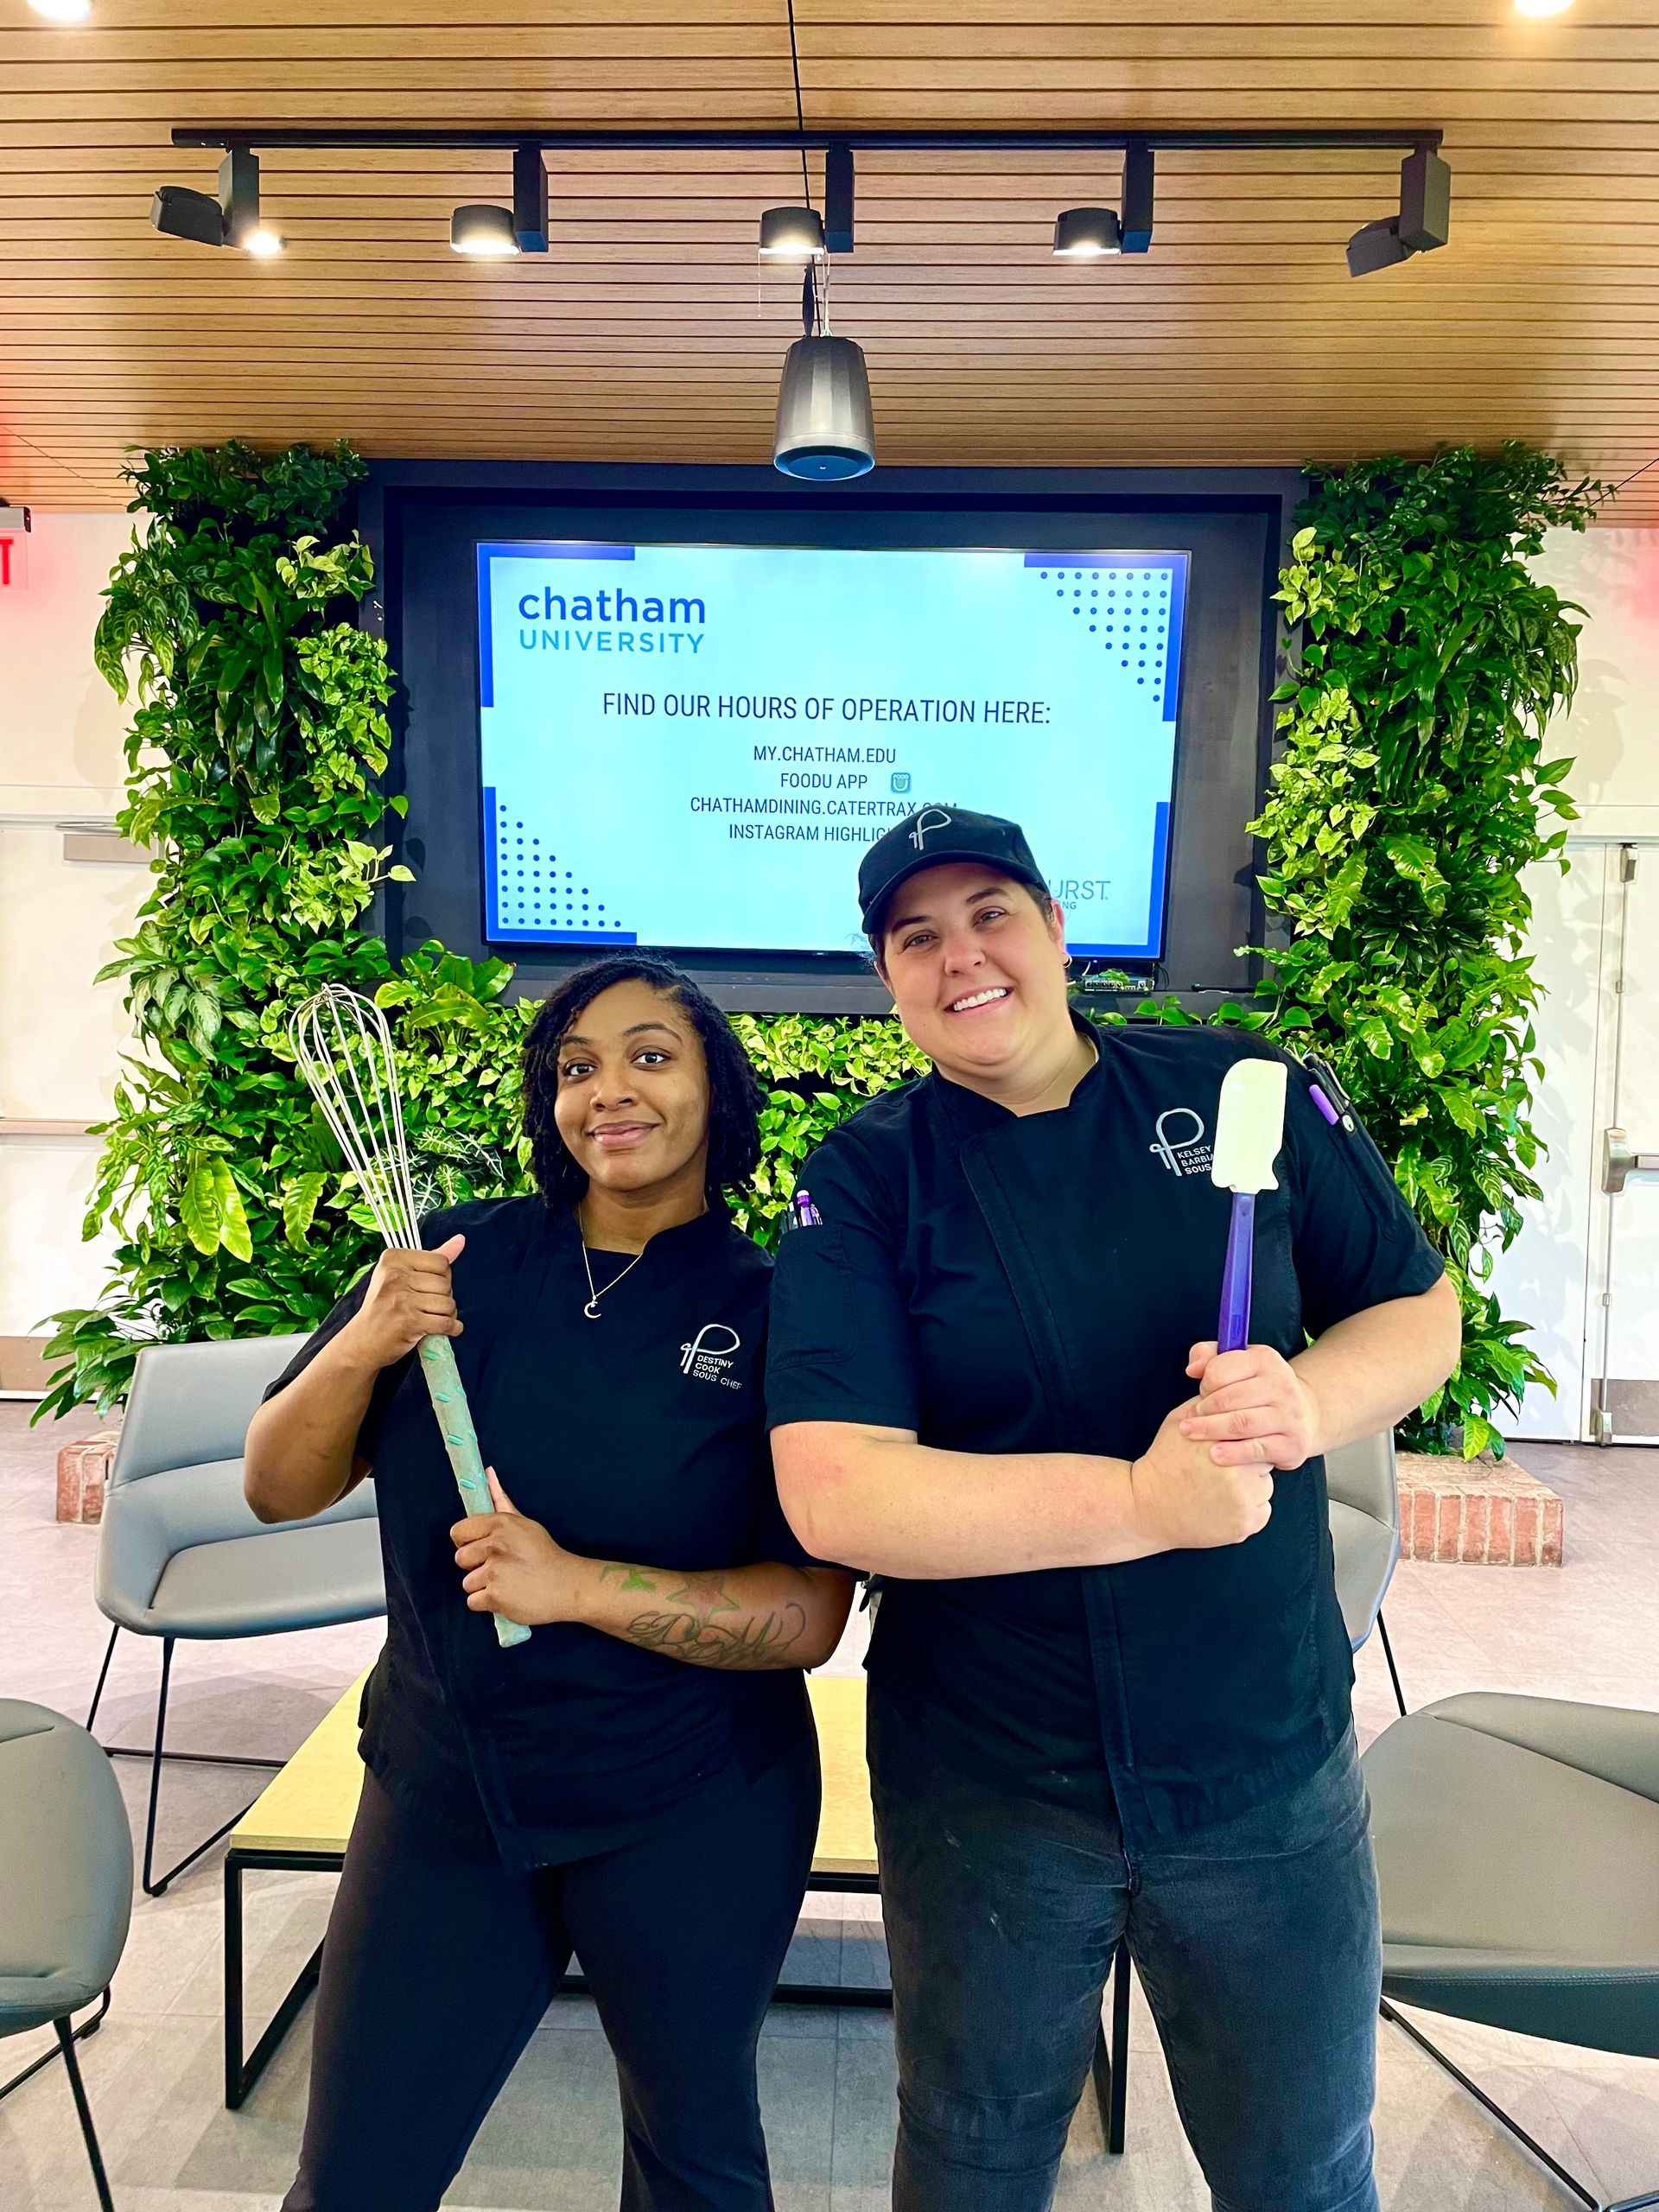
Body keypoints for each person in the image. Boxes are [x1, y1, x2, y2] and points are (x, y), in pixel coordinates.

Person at [765, 806, 1462, 2212]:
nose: (962, 957)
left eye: (990, 914)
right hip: (991, 1786)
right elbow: (836, 1492)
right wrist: (1147, 1500)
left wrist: (1306, 1408)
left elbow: (1416, 1309)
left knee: (1306, 2170)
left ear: (1057, 928)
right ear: (887, 977)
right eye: (918, 937)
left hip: (1266, 1763)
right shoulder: (866, 1178)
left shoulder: (1242, 1090)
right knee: (970, 2164)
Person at [245, 953, 855, 2212]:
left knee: (694, 2165)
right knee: (355, 2177)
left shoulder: (777, 1312)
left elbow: (807, 1616)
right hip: (445, 1789)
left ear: (714, 1091)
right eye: (576, 1066)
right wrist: (366, 1341)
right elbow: (275, 1484)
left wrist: (578, 1585)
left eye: (650, 1055)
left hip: (687, 1804)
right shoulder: (453, 1264)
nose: (608, 1091)